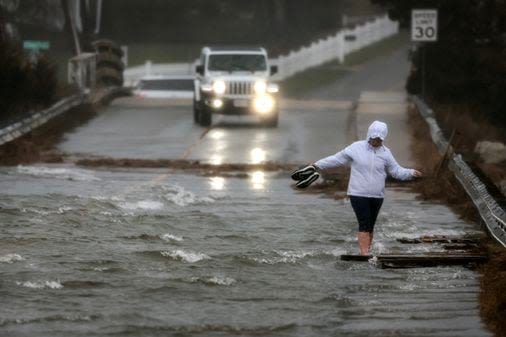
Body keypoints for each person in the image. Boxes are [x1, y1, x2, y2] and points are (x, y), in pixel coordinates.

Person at [292, 120, 422, 256]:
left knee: (370, 226)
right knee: (364, 223)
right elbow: (336, 159)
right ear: (369, 135)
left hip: (377, 196)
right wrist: (316, 165)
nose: (376, 141)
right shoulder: (356, 148)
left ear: (383, 138)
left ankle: (367, 252)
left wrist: (410, 173)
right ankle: (364, 254)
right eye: (374, 138)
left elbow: (396, 171)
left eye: (379, 139)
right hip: (358, 194)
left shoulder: (386, 153)